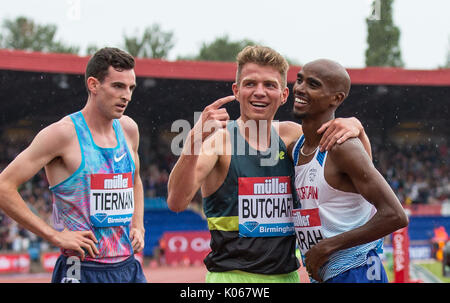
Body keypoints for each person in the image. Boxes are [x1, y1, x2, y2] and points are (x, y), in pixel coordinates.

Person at [167, 45, 372, 283]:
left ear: (284, 95)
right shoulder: (218, 143)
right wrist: (193, 139)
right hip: (233, 279)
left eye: (270, 85)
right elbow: (176, 201)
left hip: (287, 276)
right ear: (237, 90)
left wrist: (357, 127)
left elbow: (362, 177)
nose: (260, 92)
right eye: (250, 83)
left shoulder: (293, 137)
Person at [0, 47, 146, 283]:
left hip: (128, 267)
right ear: (93, 84)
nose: (127, 96)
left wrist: (138, 225)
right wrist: (55, 236)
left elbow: (135, 179)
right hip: (81, 269)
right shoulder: (62, 134)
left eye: (131, 88)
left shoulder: (129, 129)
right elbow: (4, 186)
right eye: (118, 86)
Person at [290, 58, 409, 283]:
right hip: (328, 272)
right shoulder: (296, 148)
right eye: (299, 80)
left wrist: (326, 247)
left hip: (356, 270)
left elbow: (395, 215)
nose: (300, 88)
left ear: (336, 98)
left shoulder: (343, 147)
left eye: (313, 85)